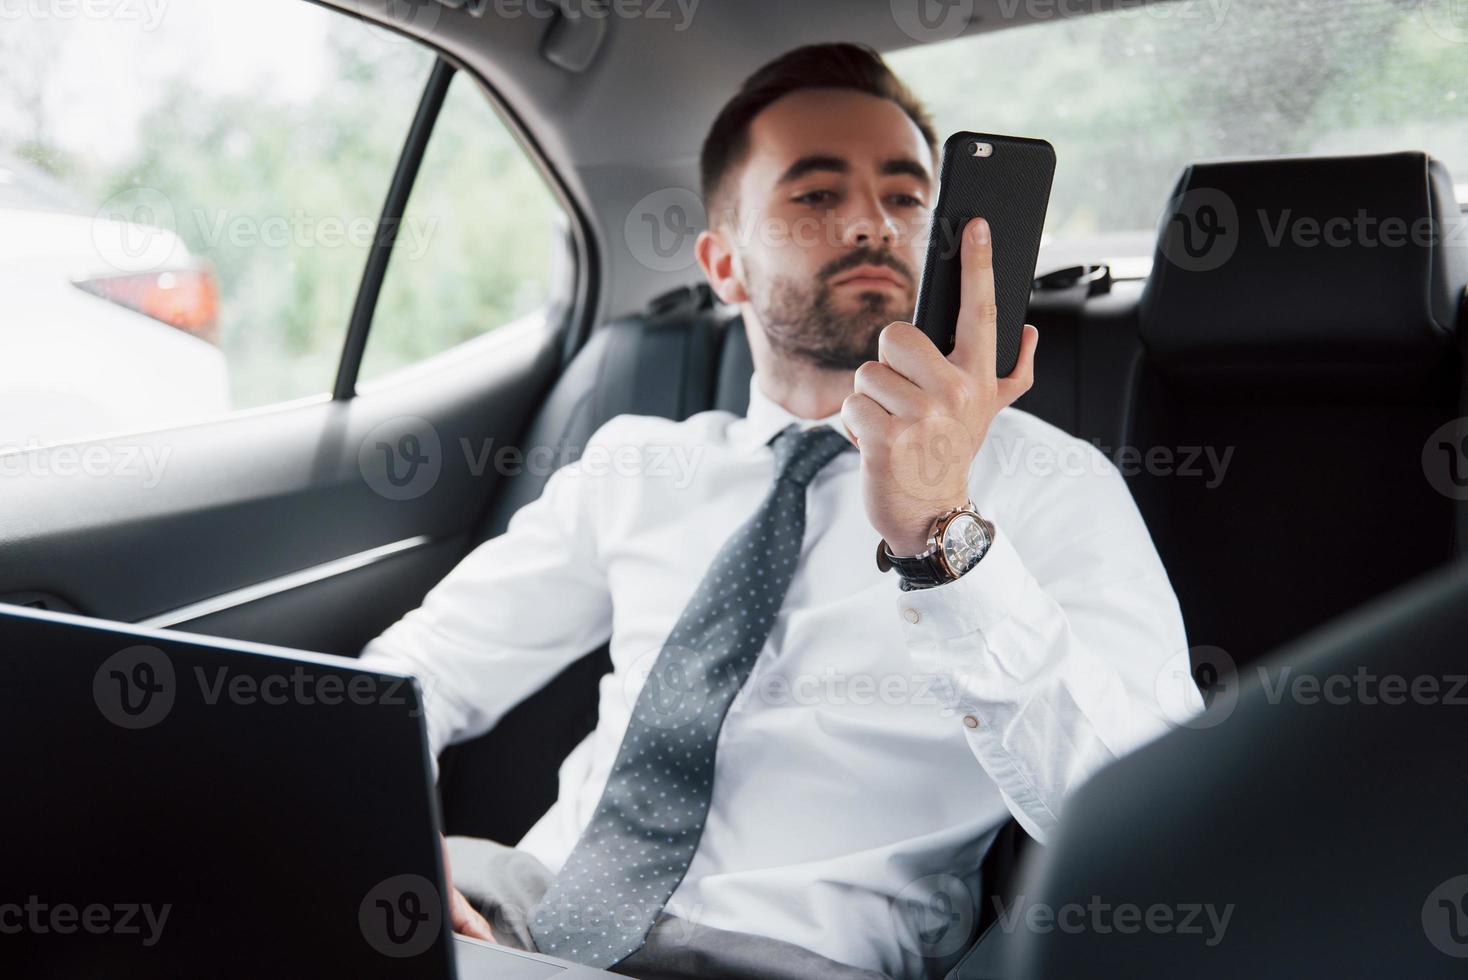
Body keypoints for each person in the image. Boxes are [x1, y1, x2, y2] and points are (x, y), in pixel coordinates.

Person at [360, 42, 1189, 980]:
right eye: (816, 195)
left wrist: (941, 533)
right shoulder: (637, 464)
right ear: (725, 264)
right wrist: (383, 841)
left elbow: (1150, 814)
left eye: (909, 195)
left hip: (796, 960)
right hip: (524, 915)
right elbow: (414, 672)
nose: (874, 222)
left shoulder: (1050, 484)